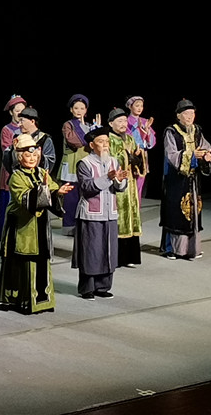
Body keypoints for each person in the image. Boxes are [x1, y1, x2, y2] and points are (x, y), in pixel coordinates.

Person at [0, 134, 73, 315]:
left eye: (34, 155)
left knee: (41, 260)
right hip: (22, 228)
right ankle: (21, 301)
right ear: (19, 157)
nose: (32, 158)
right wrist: (44, 190)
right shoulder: (16, 177)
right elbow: (26, 199)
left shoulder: (41, 173)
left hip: (40, 226)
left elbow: (51, 189)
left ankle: (42, 302)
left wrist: (58, 192)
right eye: (27, 155)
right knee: (22, 262)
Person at [73, 127, 127, 300]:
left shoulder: (114, 162)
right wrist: (108, 178)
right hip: (91, 214)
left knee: (108, 251)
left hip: (110, 213)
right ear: (92, 145)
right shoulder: (84, 163)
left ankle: (103, 286)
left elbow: (119, 188)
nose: (105, 145)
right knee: (91, 251)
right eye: (101, 142)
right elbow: (87, 188)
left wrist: (120, 181)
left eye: (107, 142)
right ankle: (87, 288)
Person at [160, 99, 211, 260]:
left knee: (193, 211)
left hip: (193, 179)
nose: (190, 116)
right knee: (176, 212)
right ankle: (173, 249)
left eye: (192, 113)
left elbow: (205, 145)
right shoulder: (171, 131)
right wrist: (191, 156)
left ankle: (192, 249)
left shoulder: (197, 130)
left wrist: (205, 154)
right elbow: (171, 154)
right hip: (176, 178)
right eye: (186, 113)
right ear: (178, 116)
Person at [107, 108, 145, 268]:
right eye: (119, 121)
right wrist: (126, 156)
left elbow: (138, 158)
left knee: (132, 215)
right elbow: (109, 160)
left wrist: (137, 158)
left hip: (131, 184)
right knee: (120, 217)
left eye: (124, 121)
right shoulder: (108, 139)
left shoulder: (130, 138)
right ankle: (117, 257)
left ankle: (130, 257)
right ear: (111, 124)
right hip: (117, 185)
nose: (123, 124)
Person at [59, 94, 101, 236]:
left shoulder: (89, 125)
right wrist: (90, 134)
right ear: (71, 109)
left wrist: (97, 131)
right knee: (71, 197)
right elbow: (74, 141)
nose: (79, 111)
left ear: (86, 110)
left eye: (82, 108)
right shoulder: (68, 125)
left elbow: (97, 143)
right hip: (71, 164)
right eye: (76, 108)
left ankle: (83, 226)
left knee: (85, 196)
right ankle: (69, 226)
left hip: (86, 163)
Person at [0, 95, 27, 242]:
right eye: (17, 110)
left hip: (24, 168)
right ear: (11, 112)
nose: (20, 113)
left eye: (22, 111)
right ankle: (2, 233)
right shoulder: (7, 129)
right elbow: (6, 149)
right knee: (7, 200)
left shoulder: (27, 127)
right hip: (10, 168)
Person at [125, 96, 156, 206]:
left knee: (139, 185)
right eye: (137, 106)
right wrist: (136, 129)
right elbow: (126, 138)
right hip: (130, 155)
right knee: (128, 185)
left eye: (141, 106)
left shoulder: (145, 121)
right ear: (130, 106)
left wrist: (147, 132)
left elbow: (151, 142)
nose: (139, 108)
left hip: (142, 156)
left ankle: (136, 211)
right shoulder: (126, 121)